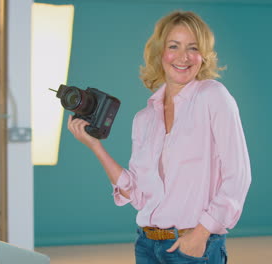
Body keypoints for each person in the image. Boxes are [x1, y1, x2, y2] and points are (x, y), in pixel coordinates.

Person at [68, 10, 251, 264]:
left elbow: (238, 176)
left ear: (203, 56)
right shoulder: (144, 118)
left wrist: (200, 235)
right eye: (173, 46)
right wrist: (95, 146)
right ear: (160, 52)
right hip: (146, 244)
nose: (183, 57)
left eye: (193, 48)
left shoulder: (213, 96)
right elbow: (139, 195)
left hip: (191, 244)